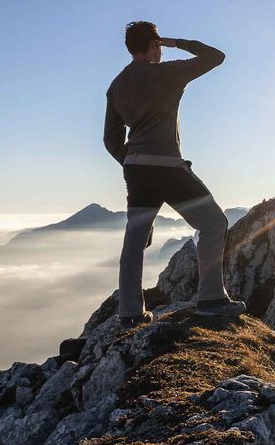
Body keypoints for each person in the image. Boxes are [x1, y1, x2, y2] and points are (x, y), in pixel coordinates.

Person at [104, 21, 246, 326]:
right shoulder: (168, 73)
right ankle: (211, 299)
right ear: (154, 44)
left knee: (135, 239)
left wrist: (131, 159)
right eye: (158, 45)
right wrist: (173, 42)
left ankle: (129, 312)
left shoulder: (116, 85)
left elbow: (110, 139)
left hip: (136, 171)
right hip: (167, 167)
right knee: (213, 223)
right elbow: (215, 56)